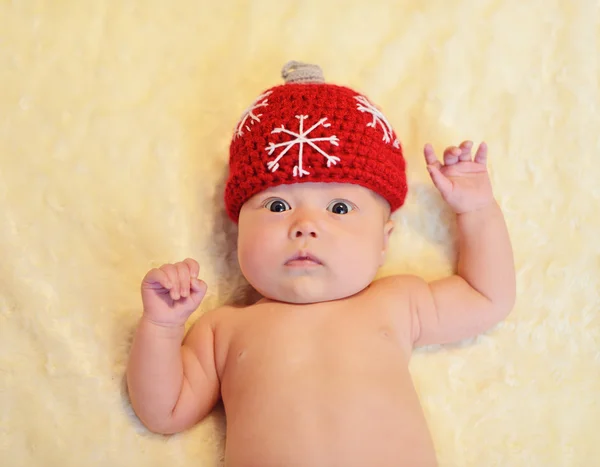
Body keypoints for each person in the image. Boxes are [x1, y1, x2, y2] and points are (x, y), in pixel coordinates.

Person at [126, 61, 516, 467]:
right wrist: (161, 326)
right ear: (237, 230)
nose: (305, 226)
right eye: (277, 205)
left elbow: (486, 296)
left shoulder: (398, 302)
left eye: (339, 207)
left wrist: (476, 212)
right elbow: (164, 411)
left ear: (384, 241)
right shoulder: (223, 330)